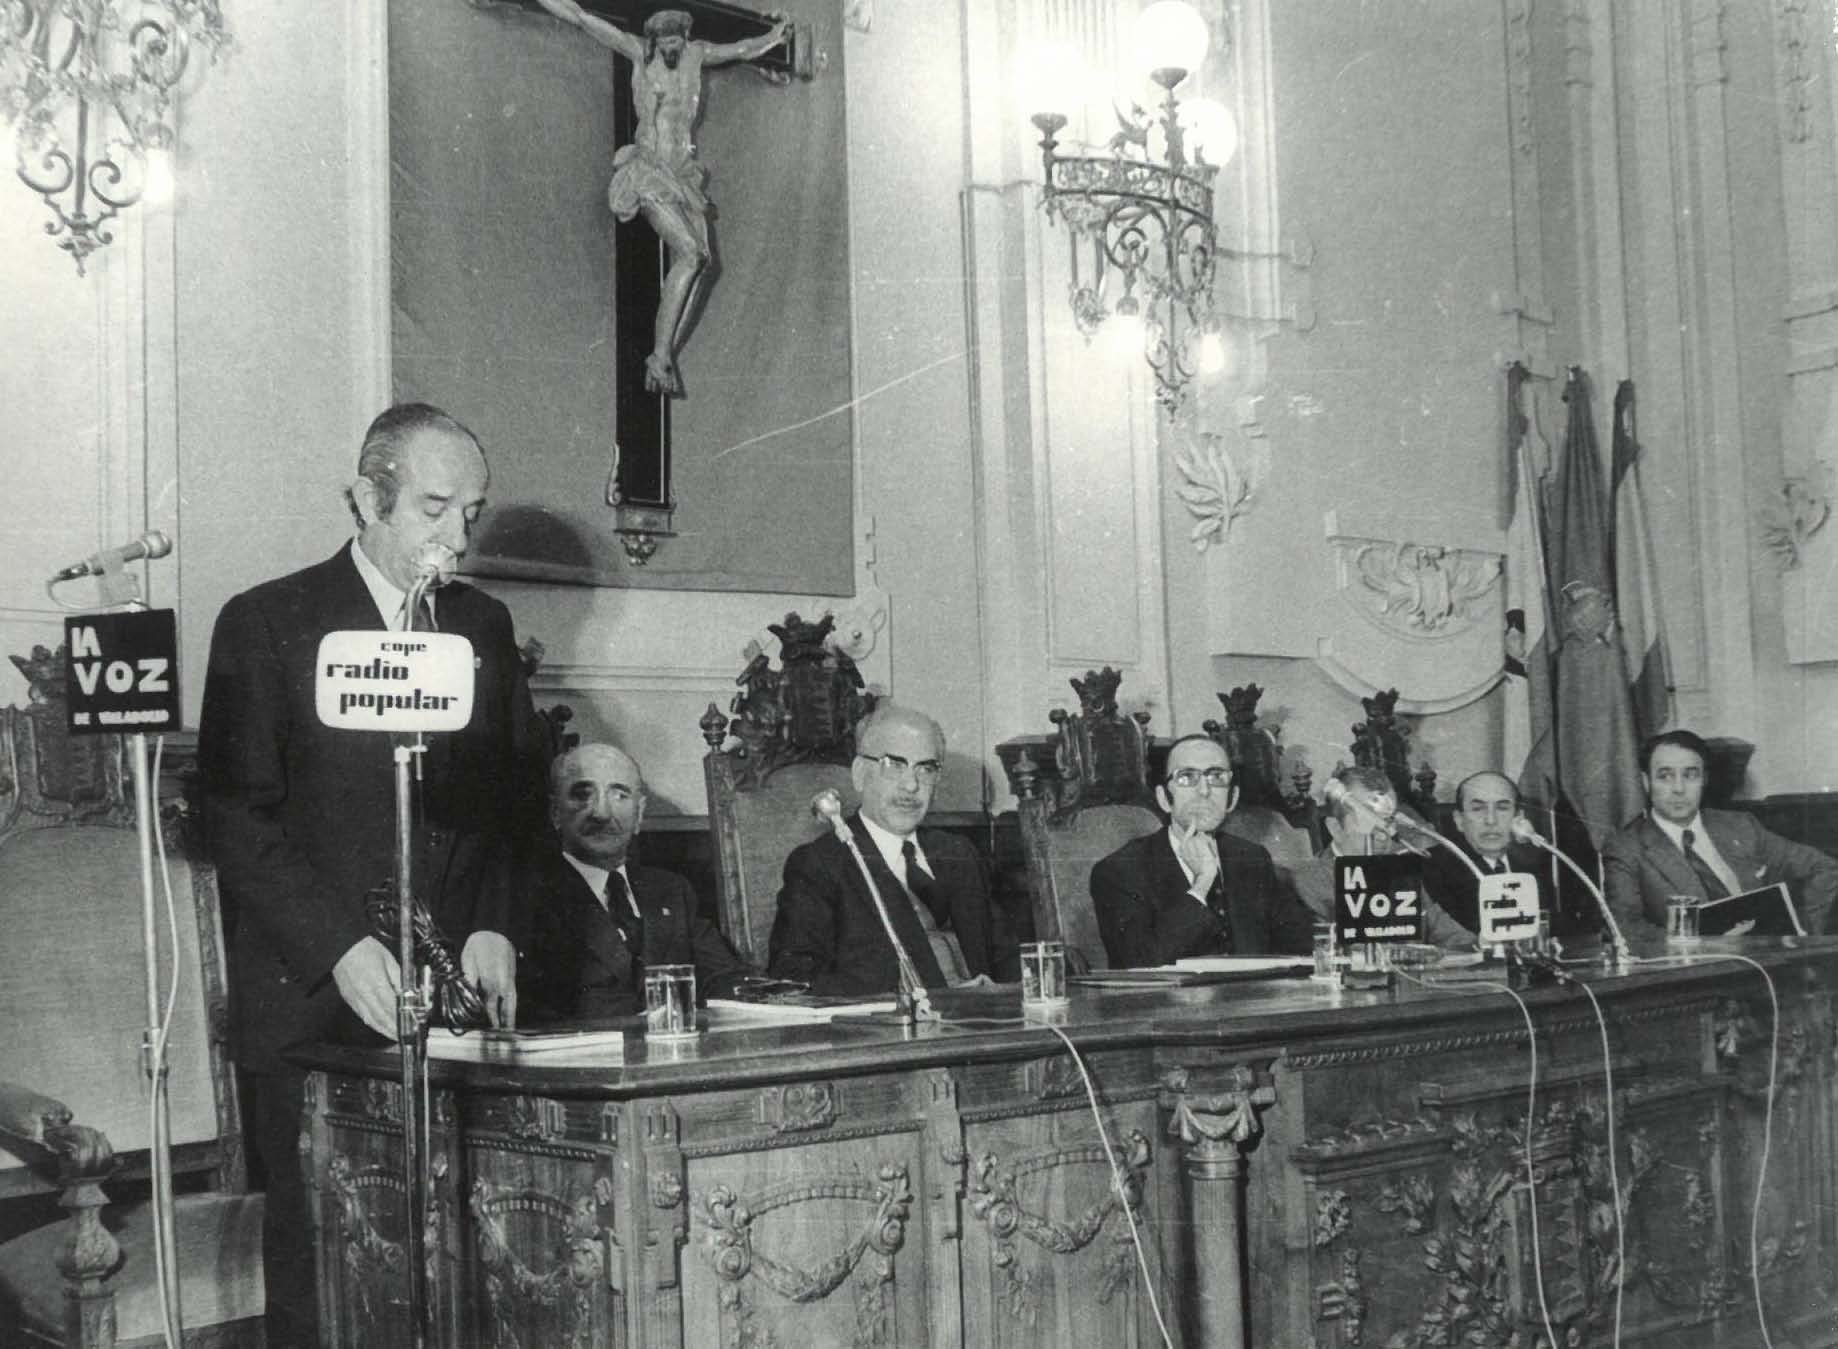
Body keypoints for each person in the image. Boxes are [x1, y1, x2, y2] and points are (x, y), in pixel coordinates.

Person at [197, 402, 541, 1346]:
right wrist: (340, 947)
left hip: (454, 1006)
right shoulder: (267, 621)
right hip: (313, 1007)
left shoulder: (484, 625)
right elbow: (234, 815)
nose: (457, 538)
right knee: (332, 1281)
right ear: (365, 498)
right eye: (434, 509)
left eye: (471, 511)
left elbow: (514, 804)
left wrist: (493, 923)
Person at [534, 1, 791, 396]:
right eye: (665, 42)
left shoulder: (698, 54)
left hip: (683, 174)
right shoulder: (638, 51)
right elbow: (582, 18)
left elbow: (741, 49)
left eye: (677, 41)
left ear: (685, 38)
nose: (672, 49)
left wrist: (773, 37)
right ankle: (659, 355)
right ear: (653, 40)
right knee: (690, 253)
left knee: (705, 262)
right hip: (650, 172)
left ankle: (663, 355)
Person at [768, 704, 1019, 996]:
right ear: (860, 774)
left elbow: (1007, 959)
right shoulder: (821, 865)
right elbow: (793, 978)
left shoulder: (958, 854)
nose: (911, 785)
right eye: (894, 765)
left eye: (925, 769)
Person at [519, 741, 751, 1021]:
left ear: (639, 814)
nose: (601, 813)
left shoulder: (672, 891)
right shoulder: (528, 897)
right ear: (556, 813)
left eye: (619, 796)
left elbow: (725, 978)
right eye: (582, 795)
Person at [1089, 734, 1316, 967]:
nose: (1204, 790)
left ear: (1232, 798)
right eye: (1187, 778)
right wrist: (1202, 884)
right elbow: (1142, 965)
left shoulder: (1252, 858)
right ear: (1164, 798)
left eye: (1216, 777)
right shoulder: (1119, 871)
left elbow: (1302, 945)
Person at [1602, 729, 1838, 934]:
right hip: (1699, 974)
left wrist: (1801, 929)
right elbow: (1625, 928)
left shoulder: (1741, 826)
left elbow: (1823, 868)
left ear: (1704, 779)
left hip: (1769, 962)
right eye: (1665, 776)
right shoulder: (1627, 849)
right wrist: (1703, 946)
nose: (1679, 788)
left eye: (1690, 775)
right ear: (1646, 782)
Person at [1288, 766, 1478, 949]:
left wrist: (1485, 946)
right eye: (1369, 820)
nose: (1382, 835)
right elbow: (1327, 953)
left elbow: (1451, 935)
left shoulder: (1400, 871)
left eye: (1387, 821)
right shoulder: (1308, 883)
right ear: (1335, 829)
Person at [1421, 770, 1574, 937]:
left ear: (1519, 818)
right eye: (1478, 809)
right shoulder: (1432, 867)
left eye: (1502, 808)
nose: (1491, 820)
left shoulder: (1533, 869)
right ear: (1459, 820)